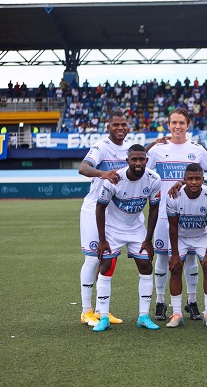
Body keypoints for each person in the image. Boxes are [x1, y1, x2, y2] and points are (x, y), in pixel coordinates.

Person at [146, 108, 207, 322]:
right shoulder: (158, 150)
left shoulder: (197, 150)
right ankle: (160, 303)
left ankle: (192, 302)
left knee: (192, 260)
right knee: (162, 259)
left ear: (188, 125)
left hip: (193, 214)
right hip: (163, 214)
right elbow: (143, 173)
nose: (177, 126)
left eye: (181, 123)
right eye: (173, 122)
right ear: (168, 125)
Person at [93, 144, 162, 332]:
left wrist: (148, 239)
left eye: (142, 159)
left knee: (146, 266)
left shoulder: (154, 179)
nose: (138, 163)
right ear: (127, 161)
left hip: (136, 229)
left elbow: (154, 208)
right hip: (113, 230)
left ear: (147, 161)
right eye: (134, 159)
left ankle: (143, 316)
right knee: (105, 267)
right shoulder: (114, 179)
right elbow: (100, 208)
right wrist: (102, 239)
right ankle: (104, 317)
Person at [78, 111, 130, 327]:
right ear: (109, 127)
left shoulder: (128, 148)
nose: (120, 128)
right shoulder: (101, 146)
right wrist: (103, 173)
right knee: (92, 259)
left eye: (124, 124)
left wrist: (155, 143)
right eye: (116, 124)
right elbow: (83, 168)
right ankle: (85, 311)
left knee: (108, 260)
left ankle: (101, 310)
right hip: (93, 209)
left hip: (112, 213)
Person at [165, 164, 207, 328]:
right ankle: (176, 314)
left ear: (203, 179)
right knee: (175, 268)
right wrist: (175, 254)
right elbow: (173, 226)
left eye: (198, 179)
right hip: (181, 236)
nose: (194, 182)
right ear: (184, 180)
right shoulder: (173, 196)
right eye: (190, 179)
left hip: (202, 236)